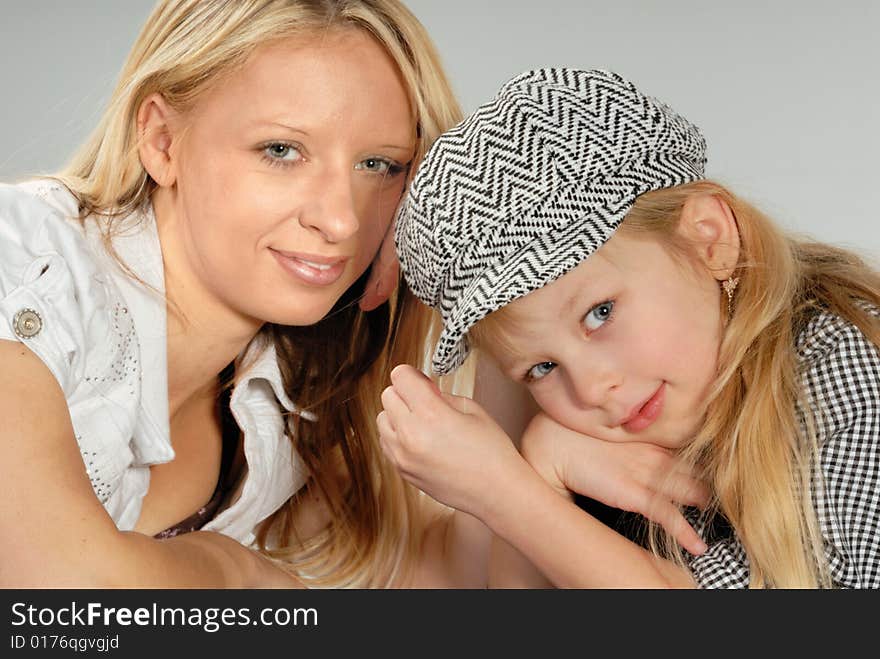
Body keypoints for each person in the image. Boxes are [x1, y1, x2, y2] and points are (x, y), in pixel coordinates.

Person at [0, 0, 488, 588]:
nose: (341, 221)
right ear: (162, 141)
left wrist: (482, 285)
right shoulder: (21, 255)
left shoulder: (283, 417)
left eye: (379, 165)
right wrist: (234, 573)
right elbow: (60, 599)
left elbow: (462, 586)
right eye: (281, 151)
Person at [379, 67, 880, 588]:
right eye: (542, 367)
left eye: (600, 313)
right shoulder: (597, 444)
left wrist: (508, 494)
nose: (593, 388)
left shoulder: (846, 362)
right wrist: (542, 472)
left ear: (709, 242)